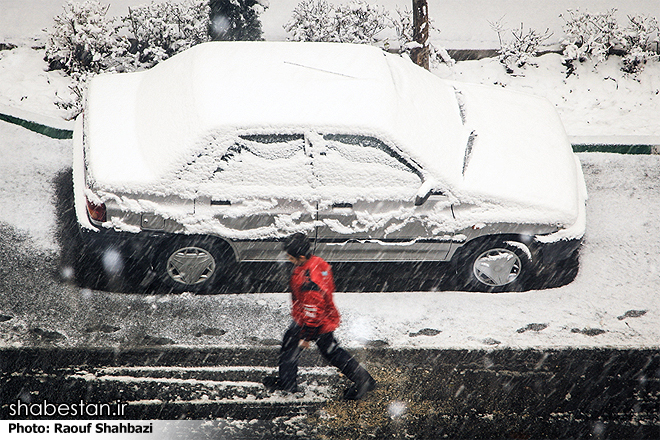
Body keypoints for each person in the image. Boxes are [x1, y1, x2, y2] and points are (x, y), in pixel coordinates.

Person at [263, 232, 377, 400]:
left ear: (301, 256)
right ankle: (287, 382)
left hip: (314, 323)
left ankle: (364, 381)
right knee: (317, 349)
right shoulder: (316, 263)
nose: (288, 259)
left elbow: (313, 311)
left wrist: (307, 337)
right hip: (316, 318)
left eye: (291, 257)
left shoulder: (308, 281)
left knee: (331, 353)